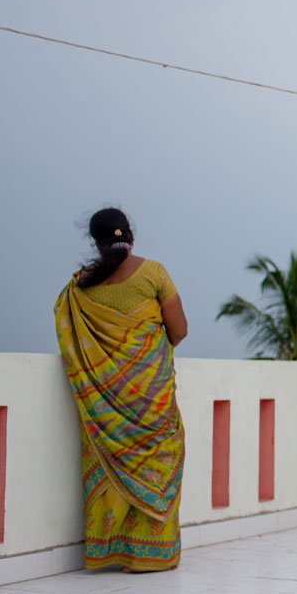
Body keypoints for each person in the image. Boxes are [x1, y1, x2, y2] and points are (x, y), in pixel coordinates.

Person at [54, 208, 189, 572]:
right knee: (158, 463)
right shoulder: (154, 273)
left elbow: (71, 338)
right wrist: (144, 357)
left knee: (112, 467)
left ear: (95, 243)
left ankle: (112, 551)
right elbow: (179, 330)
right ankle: (149, 556)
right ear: (131, 234)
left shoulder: (79, 287)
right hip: (152, 397)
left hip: (103, 402)